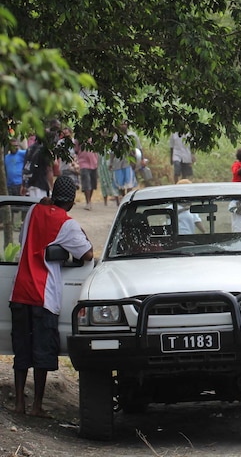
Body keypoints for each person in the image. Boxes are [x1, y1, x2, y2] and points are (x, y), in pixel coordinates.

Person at [10, 175, 93, 416]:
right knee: (42, 352)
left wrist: (46, 202)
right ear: (71, 201)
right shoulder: (66, 224)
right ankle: (37, 405)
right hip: (43, 295)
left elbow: (39, 207)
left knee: (21, 350)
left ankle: (18, 404)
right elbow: (87, 254)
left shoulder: (33, 212)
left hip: (19, 291)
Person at [109, 121, 141, 198]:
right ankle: (123, 197)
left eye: (125, 124)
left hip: (129, 163)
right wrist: (111, 162)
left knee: (129, 183)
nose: (123, 126)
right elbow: (112, 152)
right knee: (120, 184)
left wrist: (139, 160)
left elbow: (138, 148)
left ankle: (129, 198)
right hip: (117, 163)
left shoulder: (132, 136)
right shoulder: (115, 137)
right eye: (121, 124)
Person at [75, 145, 99, 210]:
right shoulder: (79, 138)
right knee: (86, 182)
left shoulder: (95, 137)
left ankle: (89, 200)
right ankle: (88, 202)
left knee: (92, 184)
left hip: (94, 162)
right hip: (83, 163)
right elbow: (76, 150)